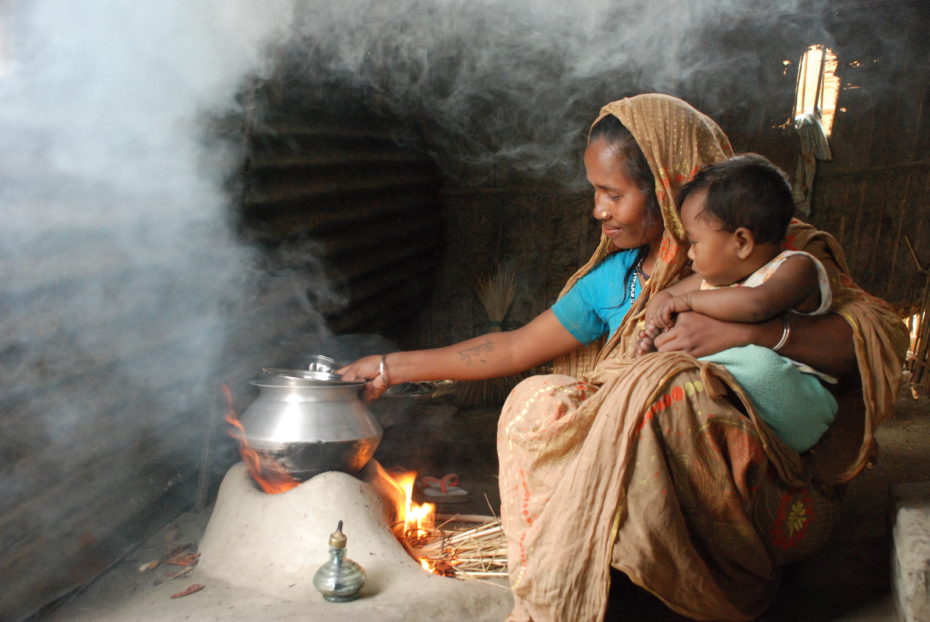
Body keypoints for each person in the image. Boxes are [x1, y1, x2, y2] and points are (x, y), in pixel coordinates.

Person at [338, 93, 907, 621]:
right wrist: (389, 368)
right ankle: (586, 582)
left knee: (668, 394)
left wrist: (742, 335)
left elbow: (865, 343)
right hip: (645, 455)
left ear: (665, 185)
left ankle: (701, 587)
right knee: (537, 400)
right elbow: (511, 347)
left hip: (769, 484)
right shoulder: (620, 279)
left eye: (613, 194)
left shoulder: (771, 248)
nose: (598, 211)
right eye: (595, 193)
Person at [638, 154, 838, 453]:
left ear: (741, 242)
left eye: (694, 242)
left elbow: (757, 305)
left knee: (756, 362)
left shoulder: (796, 268)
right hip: (751, 410)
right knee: (681, 359)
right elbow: (667, 296)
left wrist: (690, 301)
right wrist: (658, 320)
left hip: (799, 406)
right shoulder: (712, 276)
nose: (689, 255)